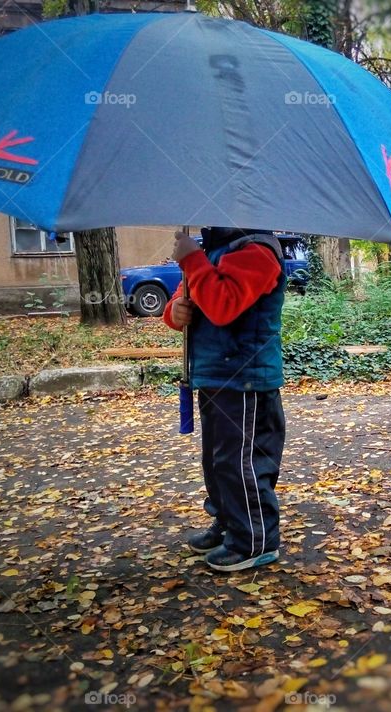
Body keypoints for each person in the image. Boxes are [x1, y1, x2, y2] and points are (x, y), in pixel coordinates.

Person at [163, 226, 286, 572]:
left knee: (240, 464)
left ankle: (255, 541)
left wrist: (191, 258)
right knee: (217, 462)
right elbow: (188, 297)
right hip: (214, 376)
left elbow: (222, 306)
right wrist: (175, 311)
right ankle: (229, 520)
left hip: (246, 379)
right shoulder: (215, 249)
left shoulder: (257, 251)